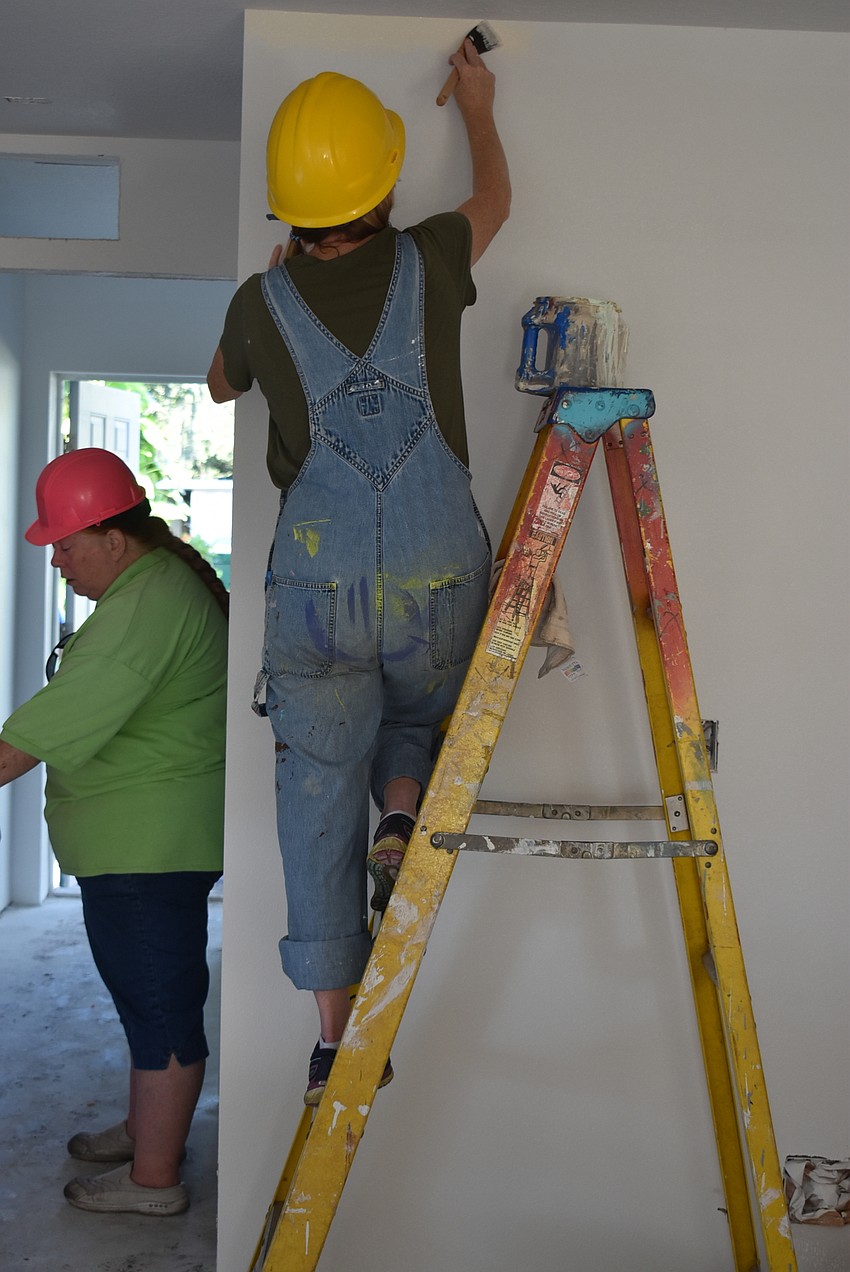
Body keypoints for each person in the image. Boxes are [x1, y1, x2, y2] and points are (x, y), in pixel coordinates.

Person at [207, 38, 510, 1104]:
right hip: (435, 576)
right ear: (380, 184)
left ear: (290, 205)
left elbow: (214, 386)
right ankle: (402, 810)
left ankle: (335, 1039)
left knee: (309, 790)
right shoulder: (430, 259)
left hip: (321, 587)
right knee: (418, 721)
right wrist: (474, 100)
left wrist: (276, 290)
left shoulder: (260, 300)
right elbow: (495, 196)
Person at [0, 447, 228, 1216]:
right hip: (142, 845)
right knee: (147, 1002)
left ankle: (153, 1182)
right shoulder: (151, 588)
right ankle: (146, 1130)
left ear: (113, 539)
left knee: (160, 1010)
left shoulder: (143, 608)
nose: (57, 559)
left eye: (64, 543)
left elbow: (21, 747)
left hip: (147, 850)